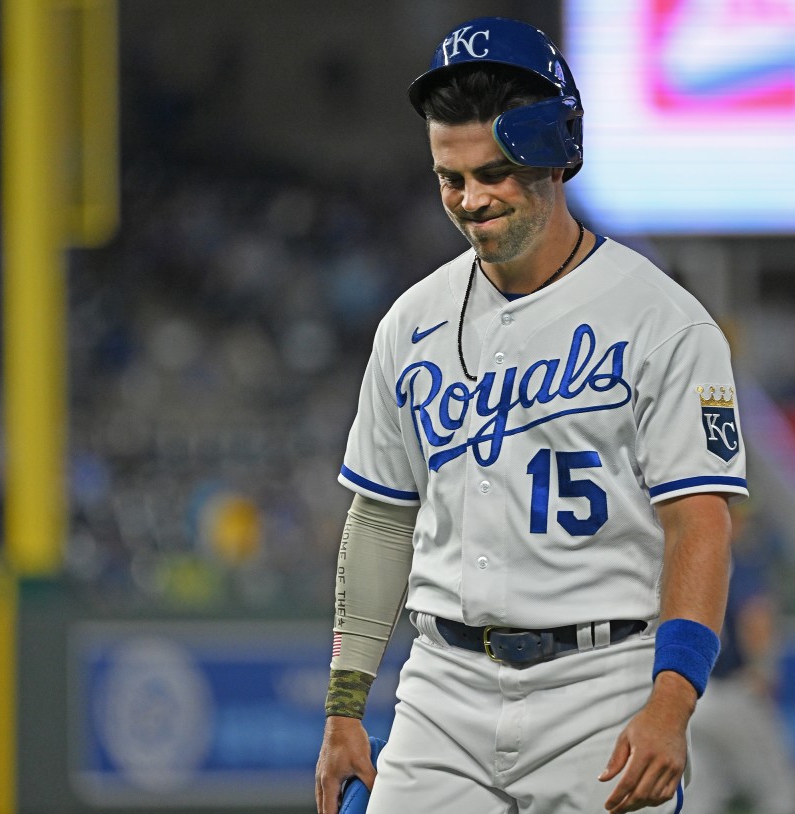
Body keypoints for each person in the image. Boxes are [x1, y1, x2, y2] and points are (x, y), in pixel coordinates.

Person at [314, 17, 748, 814]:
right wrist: (346, 706)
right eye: (451, 178)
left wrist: (673, 699)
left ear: (556, 160)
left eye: (496, 172)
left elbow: (700, 522)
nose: (472, 199)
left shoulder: (664, 321)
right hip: (444, 687)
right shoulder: (412, 322)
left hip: (603, 681)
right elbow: (380, 519)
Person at [685, 501, 795, 814]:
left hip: (694, 696)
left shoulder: (689, 560)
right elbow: (756, 619)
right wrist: (765, 671)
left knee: (701, 795)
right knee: (780, 792)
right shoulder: (739, 562)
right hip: (733, 690)